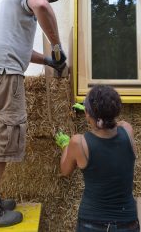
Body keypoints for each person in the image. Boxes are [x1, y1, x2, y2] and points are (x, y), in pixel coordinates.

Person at [0, 0, 66, 230]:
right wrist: (56, 48)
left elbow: (21, 48)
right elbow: (42, 5)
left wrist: (47, 60)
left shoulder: (9, 2)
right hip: (2, 76)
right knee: (2, 139)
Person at [57, 84, 139, 232]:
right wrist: (99, 115)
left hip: (92, 224)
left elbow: (65, 170)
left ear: (87, 113)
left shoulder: (78, 142)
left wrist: (65, 145)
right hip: (128, 223)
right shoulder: (127, 130)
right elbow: (116, 124)